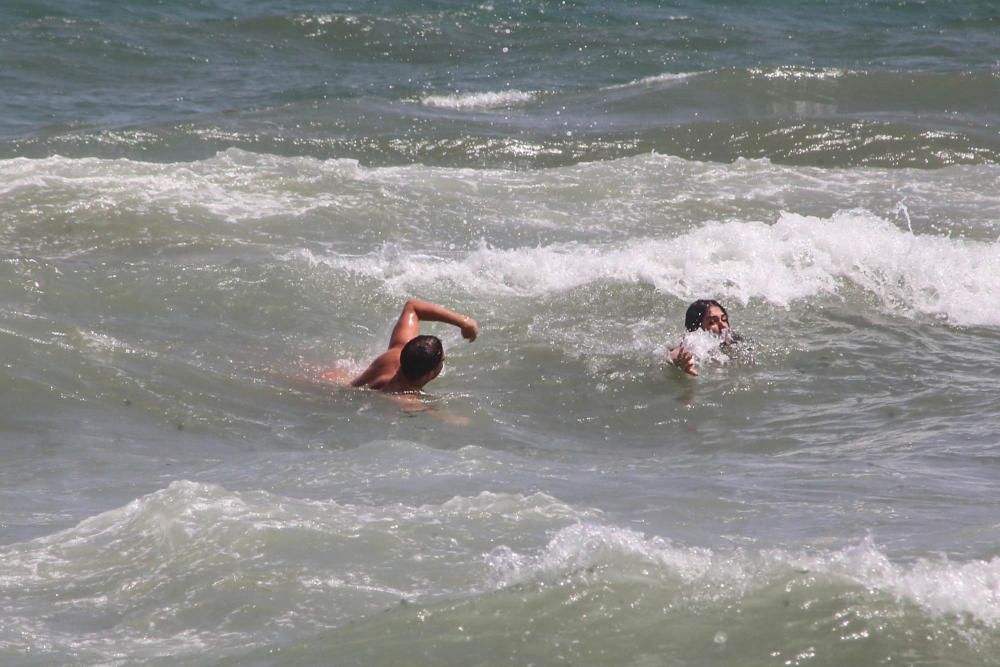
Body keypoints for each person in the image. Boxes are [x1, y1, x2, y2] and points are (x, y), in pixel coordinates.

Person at [342, 298, 478, 393]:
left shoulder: (397, 351)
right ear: (430, 374)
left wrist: (464, 322)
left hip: (337, 383)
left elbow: (412, 307)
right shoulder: (405, 397)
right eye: (442, 360)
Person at [669, 299, 732, 377]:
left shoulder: (735, 340)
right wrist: (677, 360)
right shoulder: (694, 343)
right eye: (712, 322)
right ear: (696, 328)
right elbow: (674, 352)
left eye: (724, 319)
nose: (723, 326)